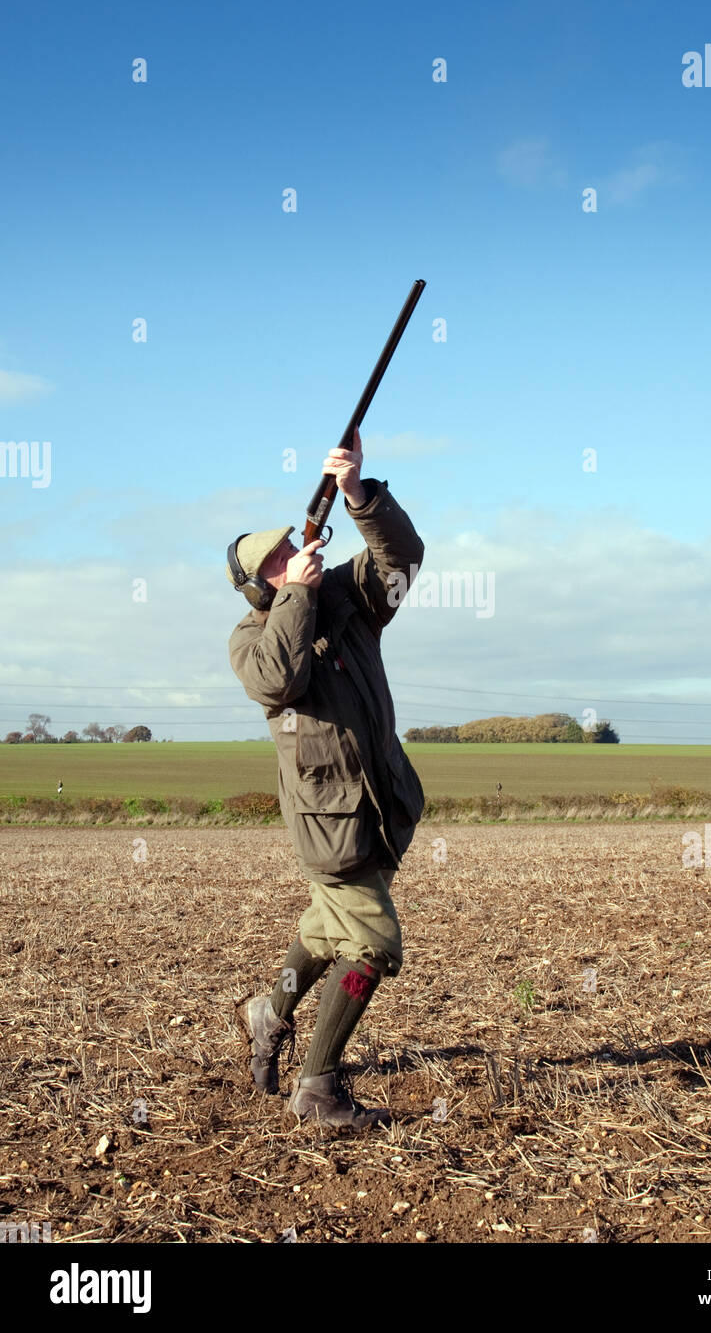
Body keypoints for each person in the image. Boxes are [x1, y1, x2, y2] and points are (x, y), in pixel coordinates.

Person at [227, 428, 425, 1131]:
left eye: (294, 544)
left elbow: (402, 560)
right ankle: (317, 1088)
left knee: (322, 931)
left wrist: (356, 494)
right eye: (277, 559)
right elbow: (279, 677)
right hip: (330, 821)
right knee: (367, 947)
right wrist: (295, 598)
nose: (296, 555)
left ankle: (267, 1010)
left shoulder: (346, 599)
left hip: (380, 806)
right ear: (259, 585)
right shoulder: (251, 639)